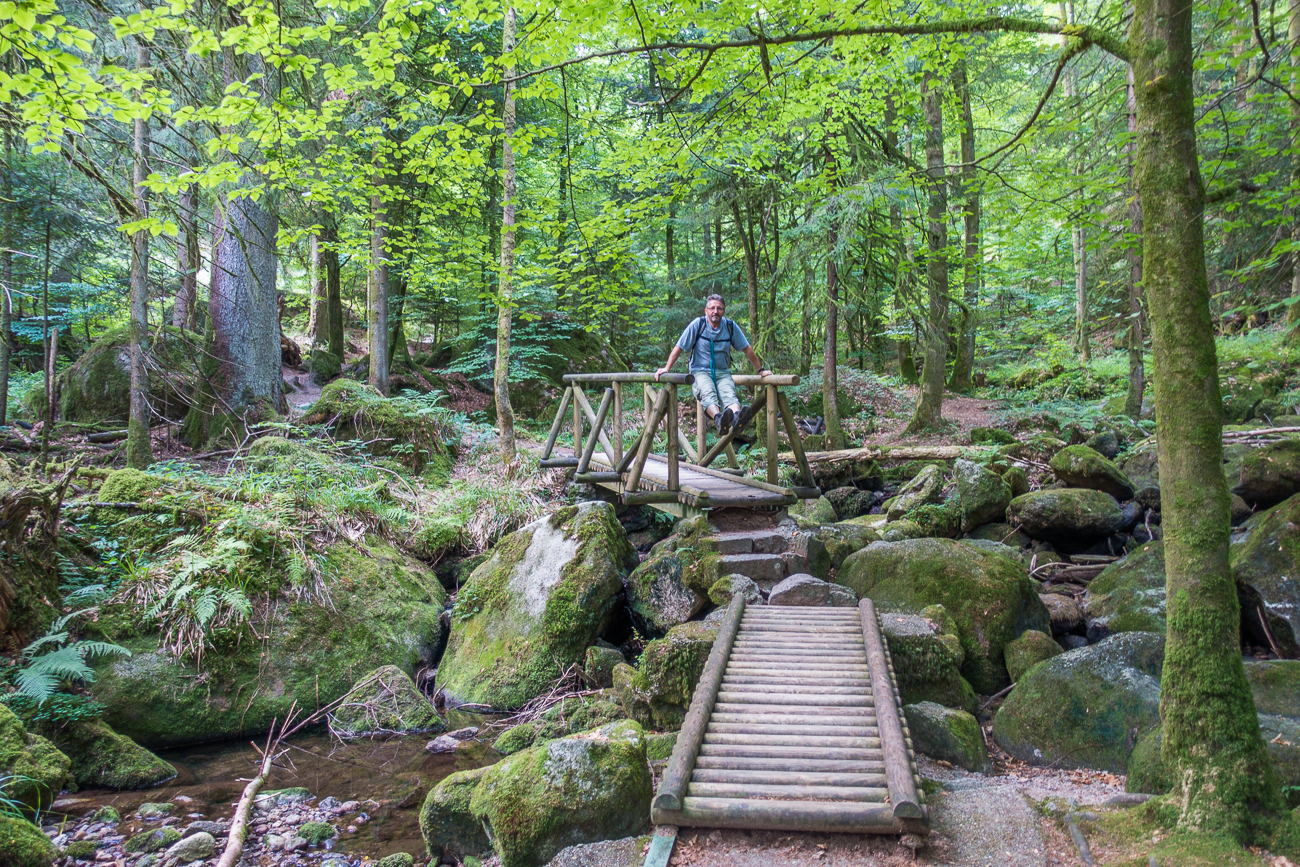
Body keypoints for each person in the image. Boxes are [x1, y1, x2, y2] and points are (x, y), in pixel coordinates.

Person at [655, 294, 771, 434]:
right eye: (712, 308)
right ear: (706, 310)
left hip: (722, 371)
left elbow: (746, 348)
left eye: (719, 308)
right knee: (707, 390)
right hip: (700, 371)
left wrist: (761, 370)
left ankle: (737, 419)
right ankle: (718, 419)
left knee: (729, 393)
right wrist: (667, 368)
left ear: (724, 311)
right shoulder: (698, 324)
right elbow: (679, 346)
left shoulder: (729, 326)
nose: (715, 311)